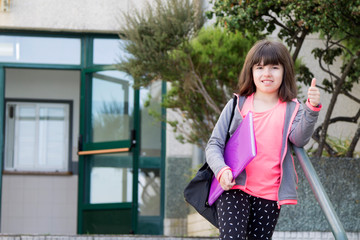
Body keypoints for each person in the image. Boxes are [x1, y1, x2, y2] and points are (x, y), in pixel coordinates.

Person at [205, 39, 321, 240]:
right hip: (234, 188)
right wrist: (222, 170)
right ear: (251, 71)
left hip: (269, 196)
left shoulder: (293, 109)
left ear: (285, 71)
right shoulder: (237, 104)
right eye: (259, 67)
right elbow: (214, 144)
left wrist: (311, 109)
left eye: (274, 67)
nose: (266, 73)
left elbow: (299, 139)